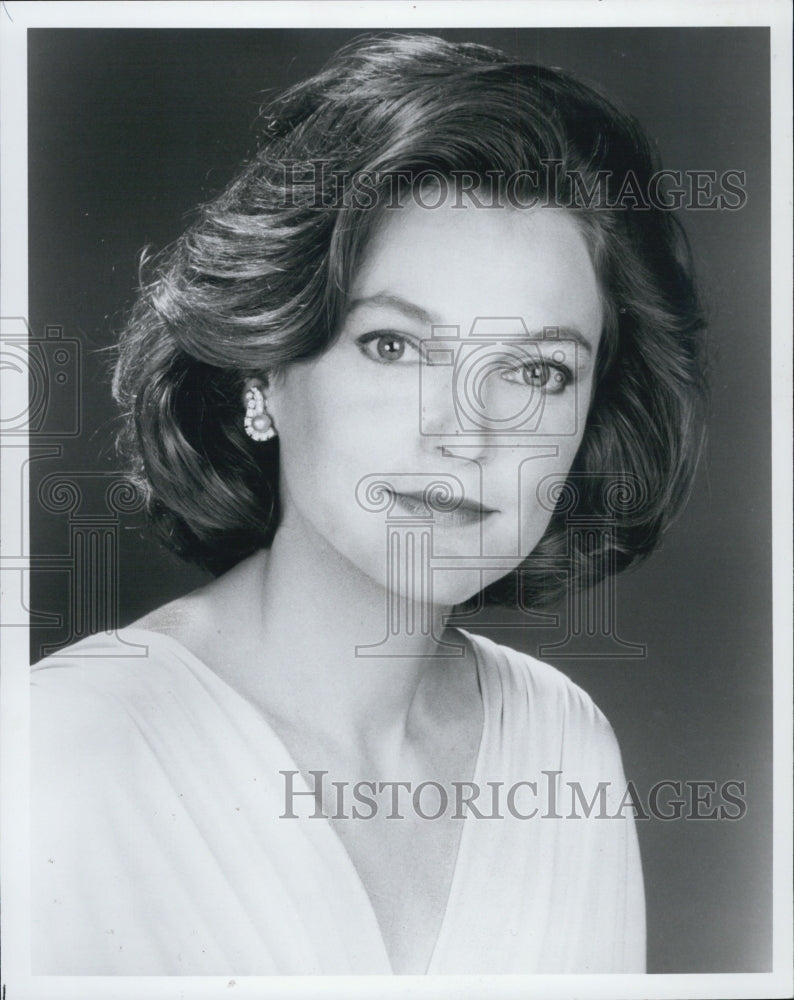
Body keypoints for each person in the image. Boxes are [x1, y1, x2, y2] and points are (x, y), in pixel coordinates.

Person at [30, 33, 706, 976]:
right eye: (394, 347)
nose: (467, 434)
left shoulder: (565, 743)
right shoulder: (56, 753)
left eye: (537, 371)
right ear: (265, 365)